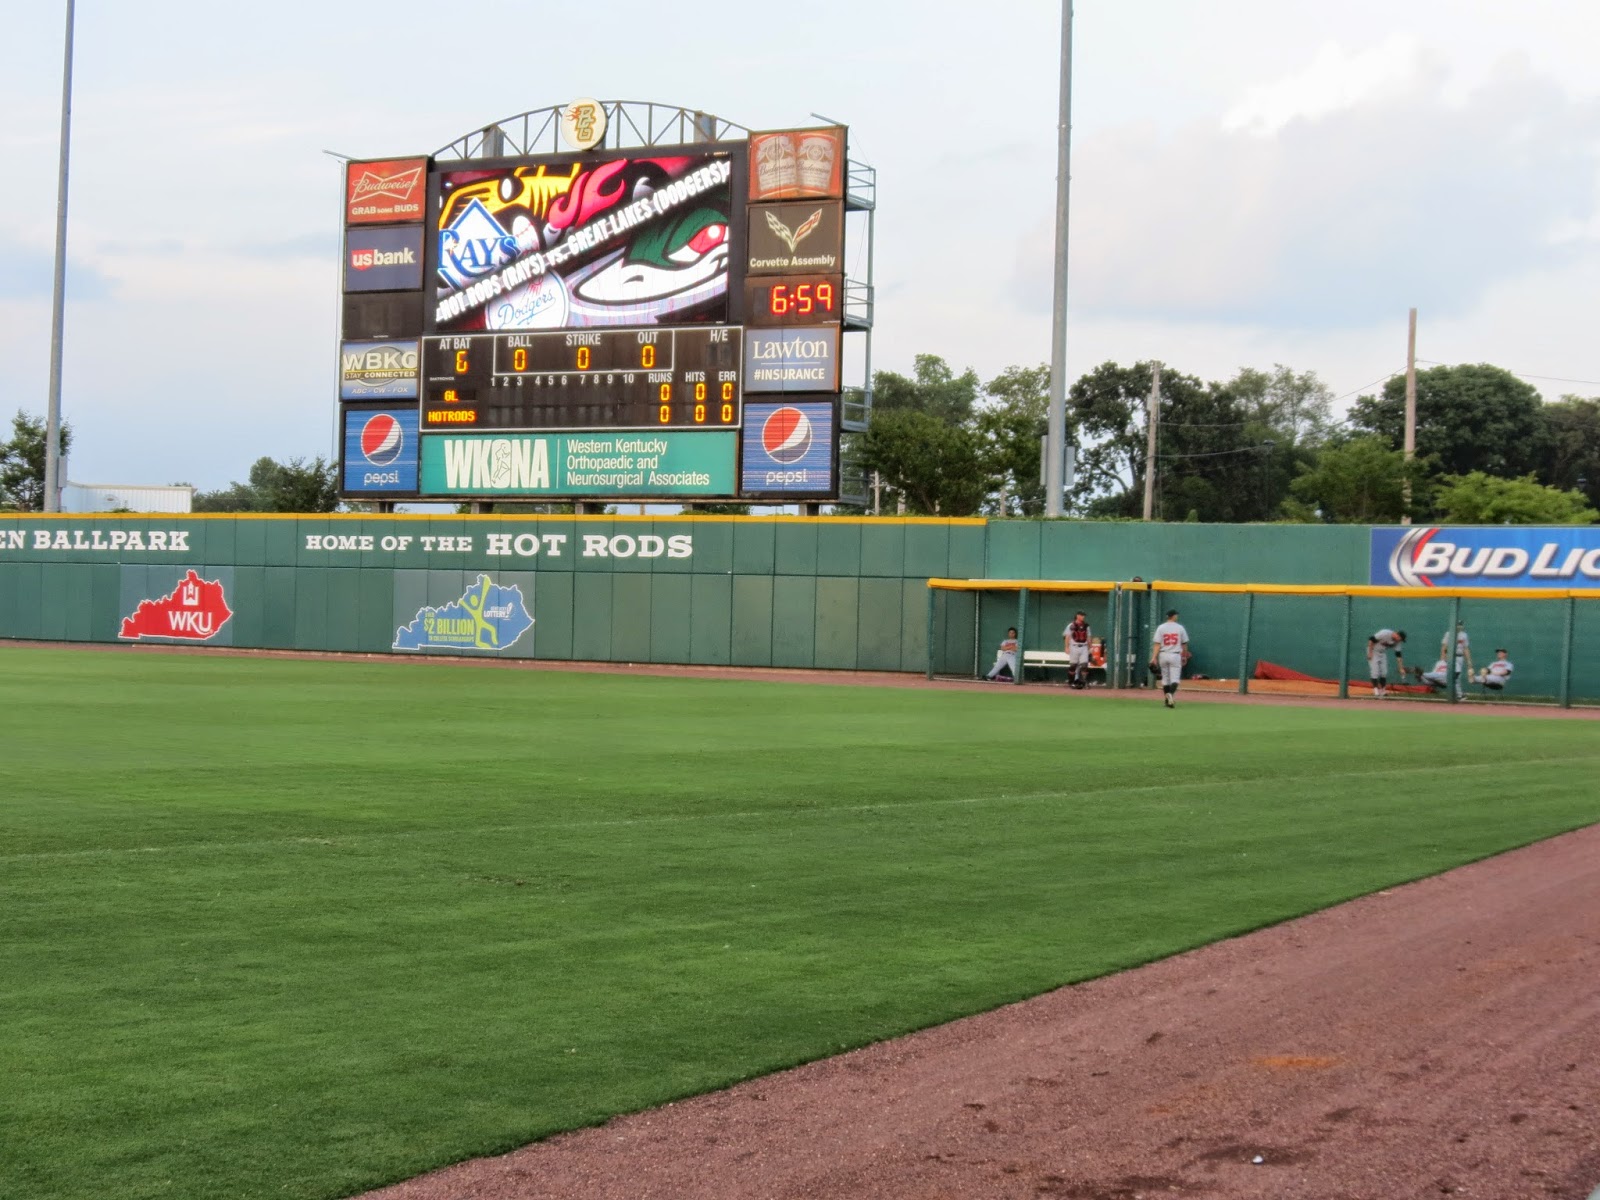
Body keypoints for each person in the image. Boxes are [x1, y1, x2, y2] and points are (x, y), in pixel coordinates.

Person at [1149, 608, 1190, 709]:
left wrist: (1153, 657)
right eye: (1176, 615)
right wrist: (1184, 656)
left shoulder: (1161, 627)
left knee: (1165, 679)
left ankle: (1167, 701)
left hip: (1163, 654)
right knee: (1175, 679)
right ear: (1174, 616)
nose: (1177, 616)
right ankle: (1170, 694)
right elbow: (1184, 644)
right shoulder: (1180, 628)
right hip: (1175, 655)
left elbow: (1157, 644)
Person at [1366, 628, 1406, 698]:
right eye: (1400, 639)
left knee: (1384, 672)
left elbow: (1398, 655)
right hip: (1373, 651)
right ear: (1397, 635)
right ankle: (1376, 691)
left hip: (1382, 653)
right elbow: (1371, 639)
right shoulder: (1385, 633)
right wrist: (1370, 653)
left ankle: (1383, 691)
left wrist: (1401, 668)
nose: (1400, 641)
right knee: (1375, 672)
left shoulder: (1397, 642)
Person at [1062, 610, 1093, 689]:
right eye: (1081, 615)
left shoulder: (1086, 626)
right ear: (1077, 616)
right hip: (1074, 646)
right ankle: (1071, 682)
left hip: (1084, 646)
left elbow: (1088, 637)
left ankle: (1084, 682)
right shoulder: (1071, 625)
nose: (1083, 617)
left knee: (1084, 665)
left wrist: (1090, 647)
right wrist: (1066, 647)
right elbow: (1067, 637)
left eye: (1083, 615)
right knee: (1073, 665)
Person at [1440, 622, 1474, 691]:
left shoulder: (1464, 635)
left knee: (1458, 676)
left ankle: (1456, 694)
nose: (1459, 626)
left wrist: (1469, 661)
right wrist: (1442, 659)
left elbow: (1466, 648)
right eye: (1458, 625)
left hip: (1460, 657)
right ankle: (1458, 694)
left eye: (1460, 625)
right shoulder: (1448, 634)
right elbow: (1444, 647)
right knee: (1453, 676)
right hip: (1450, 657)